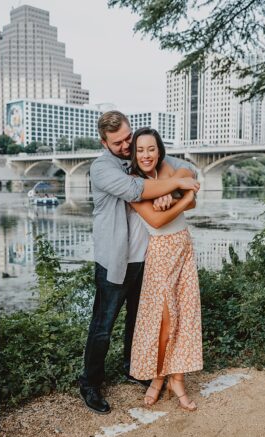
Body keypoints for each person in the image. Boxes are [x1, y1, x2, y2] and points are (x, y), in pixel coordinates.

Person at [79, 111, 201, 414]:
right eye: (117, 142)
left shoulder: (142, 157)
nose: (125, 145)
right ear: (104, 142)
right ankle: (90, 384)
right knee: (103, 325)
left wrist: (171, 189)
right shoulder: (102, 168)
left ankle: (133, 368)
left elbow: (188, 169)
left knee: (139, 321)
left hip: (148, 258)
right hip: (116, 260)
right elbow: (137, 190)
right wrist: (176, 189)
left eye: (128, 138)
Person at [126, 128, 202, 411]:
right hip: (161, 254)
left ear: (159, 151)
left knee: (186, 316)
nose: (146, 155)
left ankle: (177, 380)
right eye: (140, 150)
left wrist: (171, 192)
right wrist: (182, 199)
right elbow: (156, 221)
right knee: (164, 322)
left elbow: (188, 175)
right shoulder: (133, 183)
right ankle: (158, 379)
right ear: (134, 153)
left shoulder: (167, 170)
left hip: (183, 247)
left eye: (151, 149)